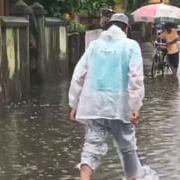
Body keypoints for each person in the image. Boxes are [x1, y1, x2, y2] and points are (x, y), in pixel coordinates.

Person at [68, 13, 158, 180]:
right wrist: (135, 107)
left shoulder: (94, 46)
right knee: (127, 149)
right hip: (120, 106)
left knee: (91, 148)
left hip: (94, 106)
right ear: (127, 28)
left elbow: (78, 75)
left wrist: (74, 103)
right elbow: (136, 78)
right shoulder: (131, 46)